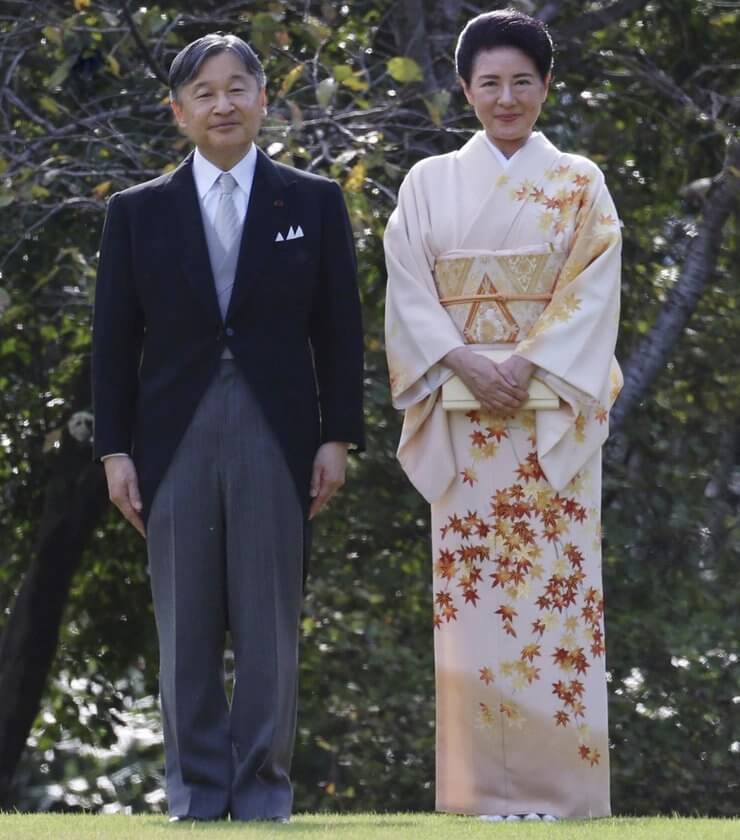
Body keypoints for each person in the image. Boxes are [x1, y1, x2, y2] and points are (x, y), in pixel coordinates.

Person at [92, 33, 364, 822]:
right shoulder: (136, 213)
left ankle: (264, 795)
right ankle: (195, 794)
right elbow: (114, 344)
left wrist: (337, 436)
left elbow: (339, 331)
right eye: (204, 93)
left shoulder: (312, 201)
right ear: (179, 112)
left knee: (270, 622)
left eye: (237, 88)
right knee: (184, 625)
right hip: (170, 434)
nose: (223, 104)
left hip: (278, 431)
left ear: (264, 100)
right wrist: (115, 451)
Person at [384, 9, 621, 821]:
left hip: (548, 420)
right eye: (491, 82)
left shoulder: (580, 182)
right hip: (465, 420)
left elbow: (594, 288)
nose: (507, 97)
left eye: (523, 81)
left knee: (554, 602)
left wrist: (524, 362)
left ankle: (565, 792)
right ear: (464, 89)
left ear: (547, 86)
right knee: (476, 610)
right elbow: (409, 287)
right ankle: (481, 793)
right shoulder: (427, 184)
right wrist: (462, 360)